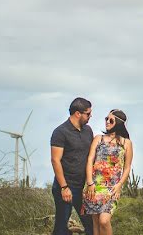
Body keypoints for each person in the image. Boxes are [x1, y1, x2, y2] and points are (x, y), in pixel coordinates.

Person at [83, 109, 134, 235]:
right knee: (96, 222)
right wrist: (89, 183)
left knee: (104, 221)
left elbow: (127, 167)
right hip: (94, 185)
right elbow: (90, 160)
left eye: (111, 120)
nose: (107, 122)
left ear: (119, 123)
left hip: (112, 187)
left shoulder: (126, 143)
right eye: (106, 119)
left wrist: (119, 185)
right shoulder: (98, 138)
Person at [50, 97, 95, 235]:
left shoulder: (88, 130)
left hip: (82, 188)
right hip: (65, 188)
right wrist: (64, 187)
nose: (90, 116)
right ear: (78, 113)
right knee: (61, 229)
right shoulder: (60, 132)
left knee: (92, 226)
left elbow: (91, 157)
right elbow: (55, 160)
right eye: (88, 113)